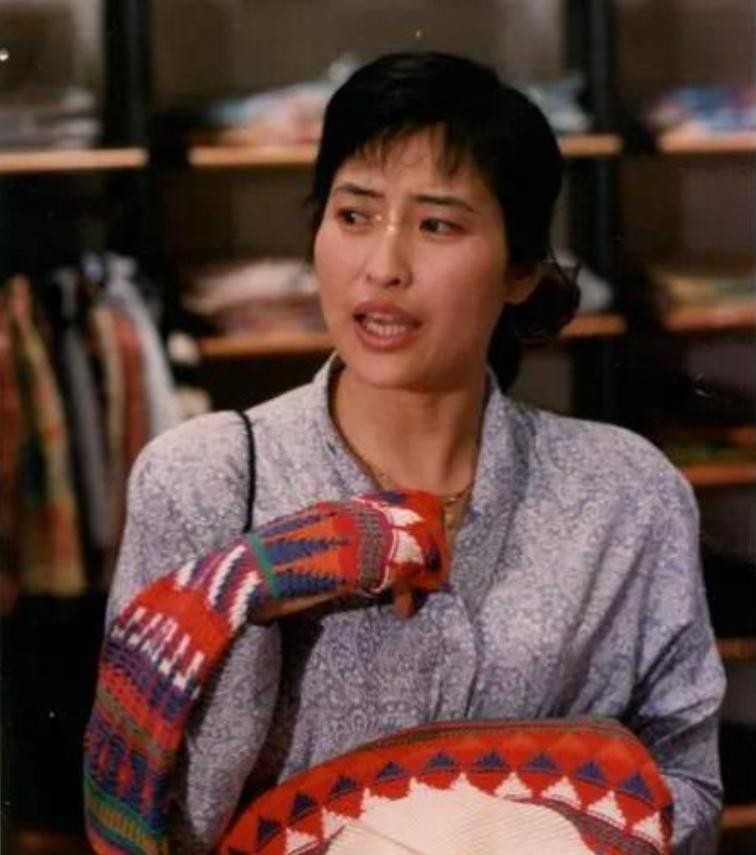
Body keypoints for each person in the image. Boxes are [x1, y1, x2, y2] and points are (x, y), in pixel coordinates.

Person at [86, 53, 725, 853]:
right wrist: (245, 590)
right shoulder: (208, 478)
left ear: (520, 270)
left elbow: (687, 782)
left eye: (437, 225)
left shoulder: (625, 491)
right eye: (354, 215)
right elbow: (146, 822)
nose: (383, 267)